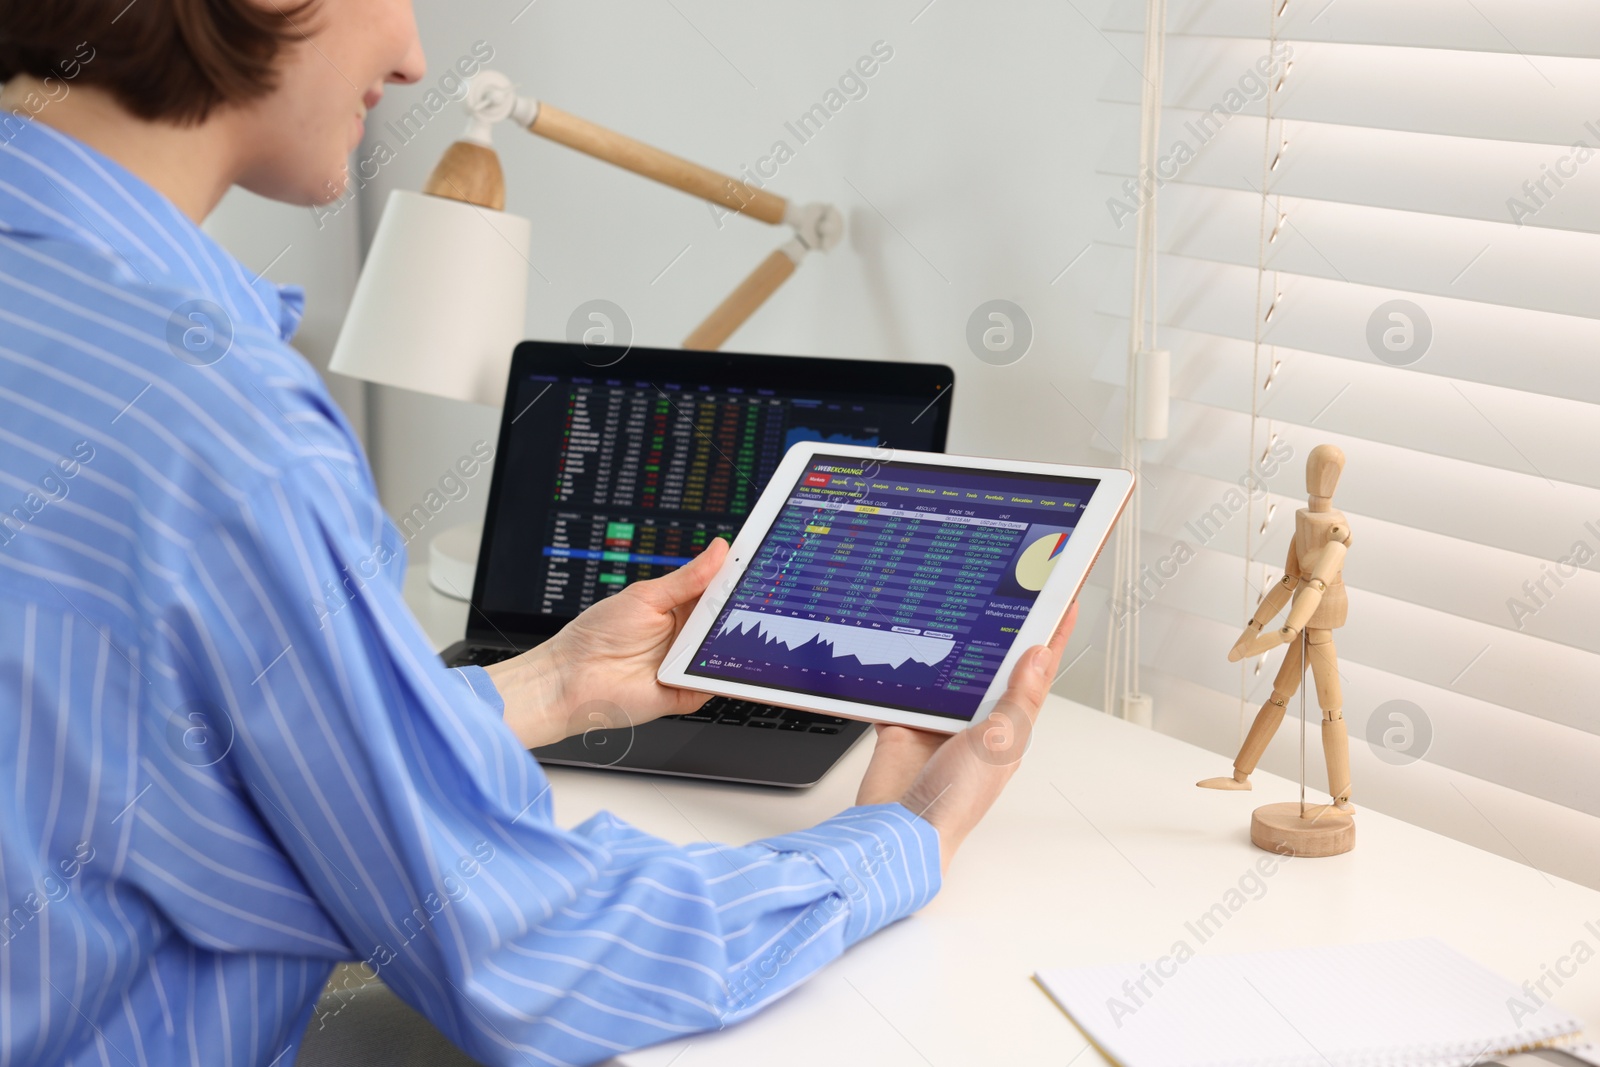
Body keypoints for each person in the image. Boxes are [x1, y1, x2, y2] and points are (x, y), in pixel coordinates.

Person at [0, 1, 1076, 1064]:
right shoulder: (219, 425)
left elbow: (156, 775)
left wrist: (554, 682)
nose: (416, 55)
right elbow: (525, 954)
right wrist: (905, 836)